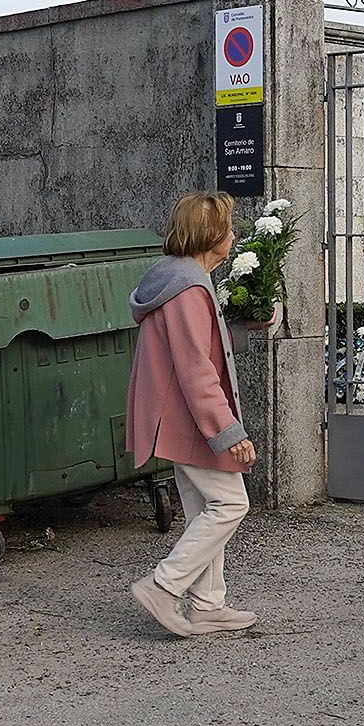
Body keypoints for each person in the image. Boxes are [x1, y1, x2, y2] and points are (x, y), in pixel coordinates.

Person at [124, 191, 261, 637]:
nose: (234, 235)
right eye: (228, 228)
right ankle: (164, 587)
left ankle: (207, 604)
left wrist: (246, 326)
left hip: (180, 417)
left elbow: (204, 347)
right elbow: (196, 367)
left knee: (206, 506)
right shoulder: (187, 287)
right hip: (191, 421)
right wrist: (228, 430)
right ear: (211, 236)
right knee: (230, 503)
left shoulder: (177, 278)